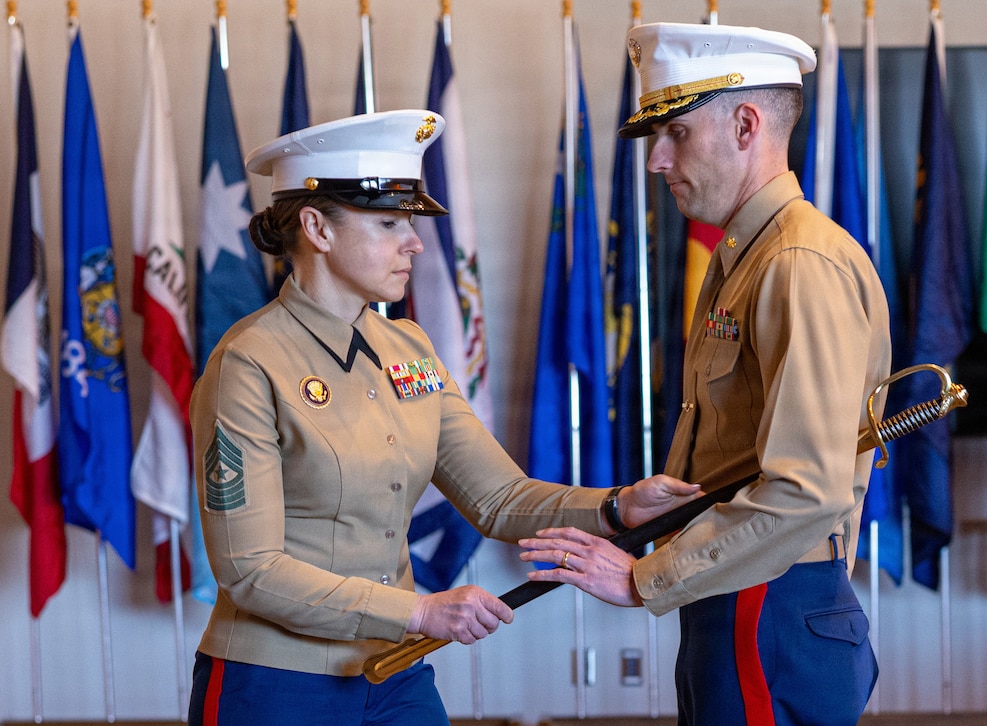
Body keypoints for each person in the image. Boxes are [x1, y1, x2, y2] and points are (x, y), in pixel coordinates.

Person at [186, 109, 700, 726]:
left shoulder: (410, 349)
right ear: (317, 227)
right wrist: (419, 613)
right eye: (388, 223)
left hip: (396, 670)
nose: (415, 243)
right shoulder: (248, 362)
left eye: (411, 223)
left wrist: (618, 507)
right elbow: (250, 571)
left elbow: (501, 499)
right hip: (275, 684)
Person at [519, 23, 892, 725]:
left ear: (746, 124)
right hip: (739, 588)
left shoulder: (795, 264)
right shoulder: (745, 257)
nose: (658, 159)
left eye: (678, 133)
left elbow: (805, 491)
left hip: (767, 601)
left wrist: (644, 579)